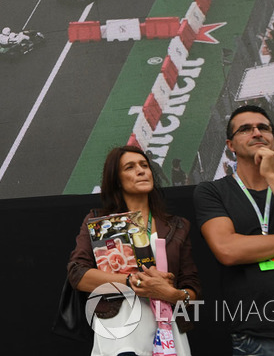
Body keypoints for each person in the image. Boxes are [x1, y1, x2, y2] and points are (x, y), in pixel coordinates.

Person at [193, 104, 274, 354]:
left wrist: (272, 177)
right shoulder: (212, 192)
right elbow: (228, 249)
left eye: (263, 128)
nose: (256, 132)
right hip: (256, 336)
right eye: (245, 129)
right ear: (230, 145)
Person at [68, 145, 201, 355]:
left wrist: (173, 294)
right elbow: (77, 274)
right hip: (121, 327)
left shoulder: (177, 225)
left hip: (169, 329)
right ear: (116, 180)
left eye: (144, 165)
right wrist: (134, 282)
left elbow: (192, 288)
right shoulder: (100, 222)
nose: (141, 171)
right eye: (130, 167)